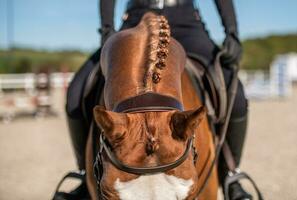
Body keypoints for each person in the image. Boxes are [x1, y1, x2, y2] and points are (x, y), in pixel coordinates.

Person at [55, 1, 251, 200]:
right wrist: (107, 29)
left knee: (237, 100)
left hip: (186, 25)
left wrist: (232, 31)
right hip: (133, 23)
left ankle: (230, 175)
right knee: (76, 94)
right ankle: (84, 175)